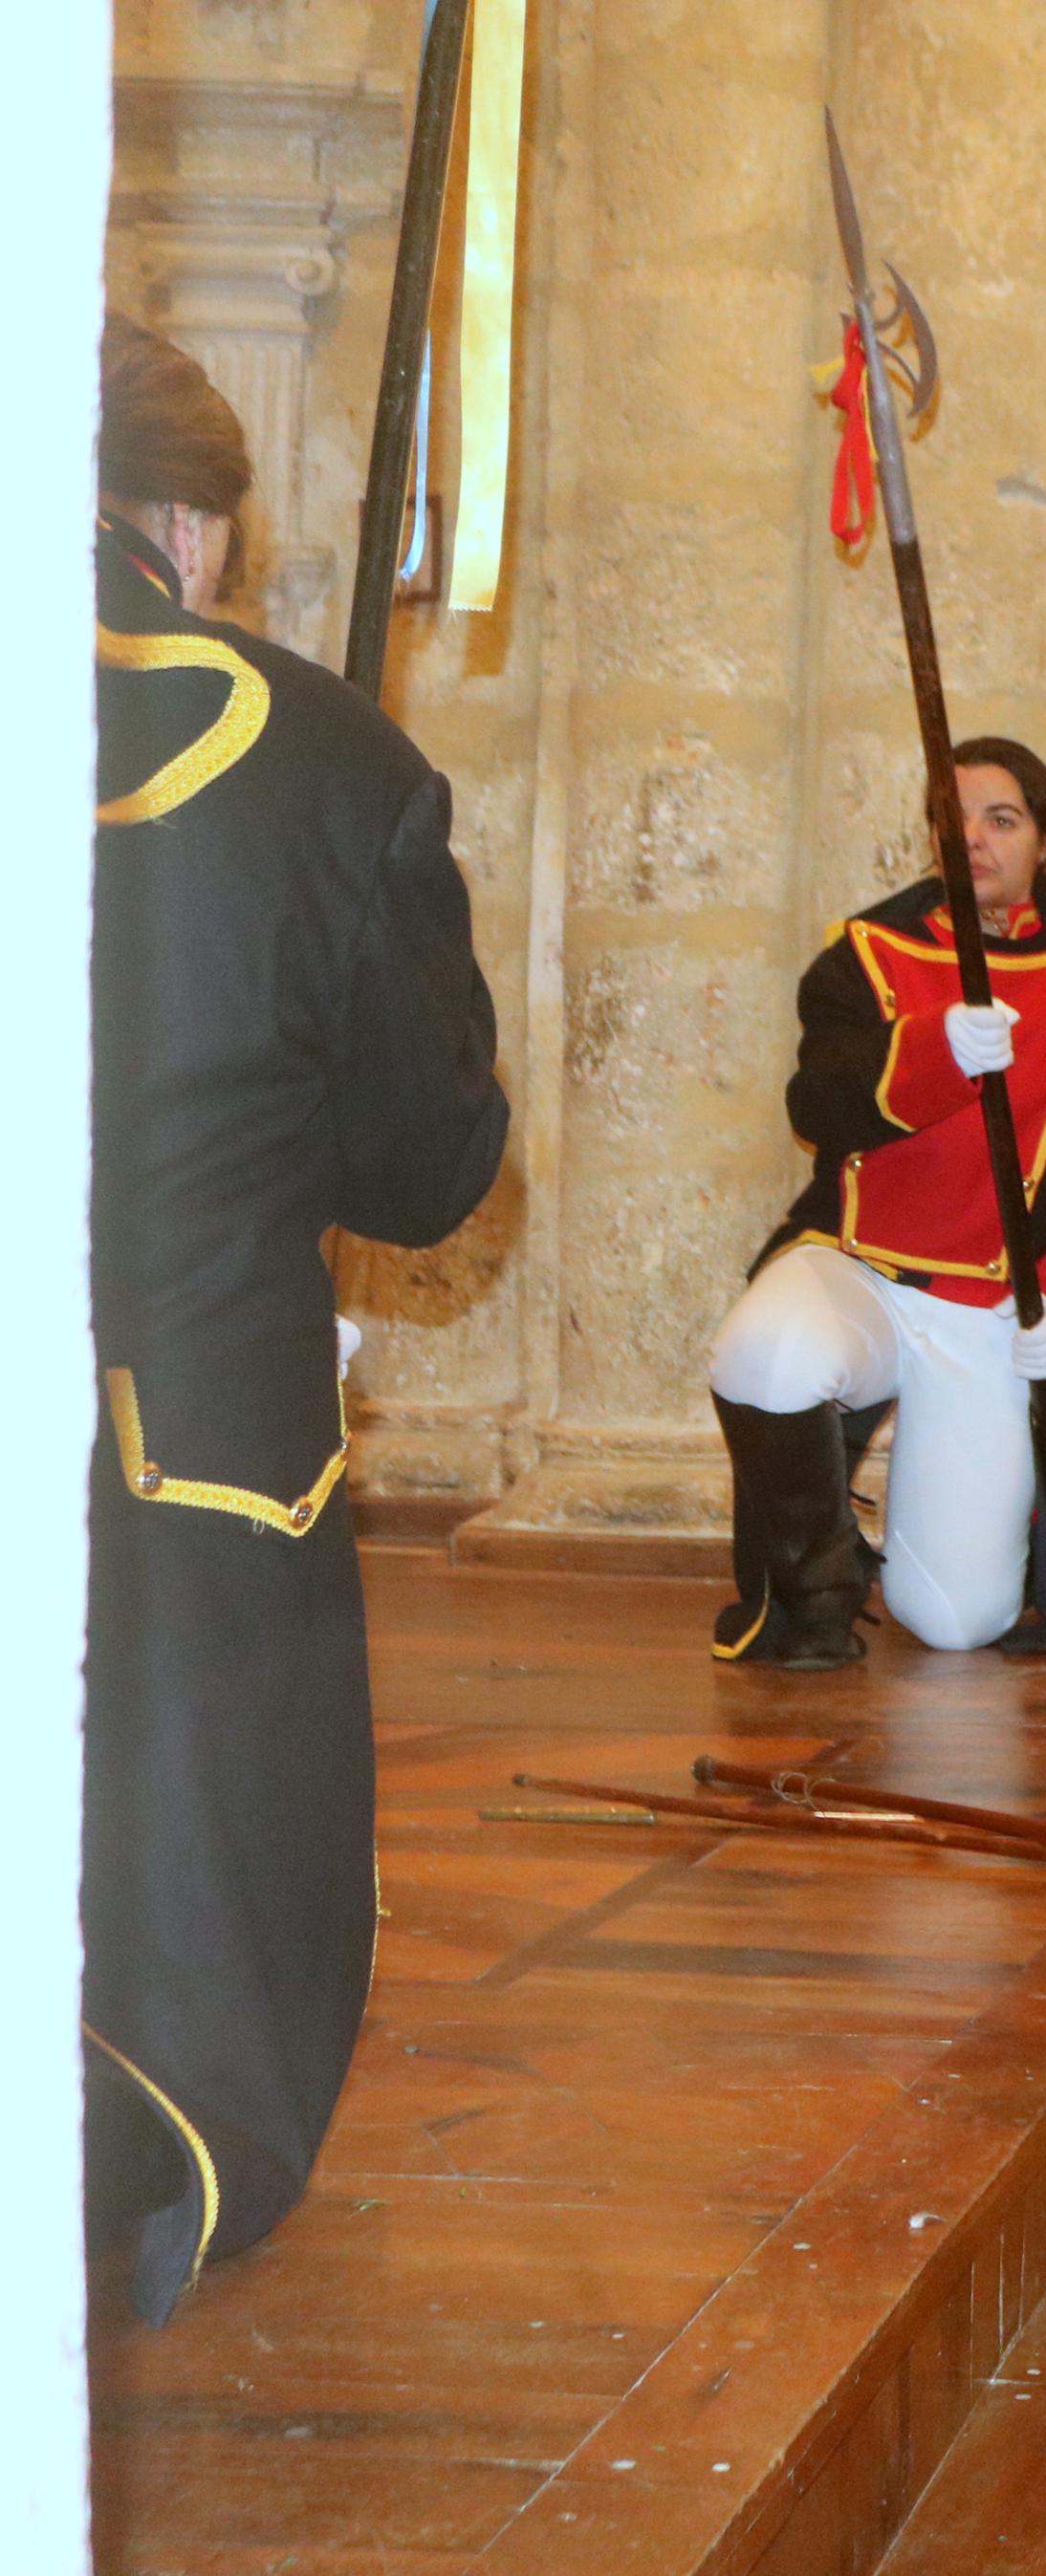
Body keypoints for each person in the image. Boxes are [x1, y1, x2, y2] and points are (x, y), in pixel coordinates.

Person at [85, 317, 511, 2324]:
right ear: (190, 524)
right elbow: (425, 1174)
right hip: (186, 1434)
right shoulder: (325, 753)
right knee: (174, 1964)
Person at [705, 738, 1046, 1663]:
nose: (971, 837)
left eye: (1000, 818)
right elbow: (816, 1104)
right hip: (857, 1269)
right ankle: (816, 1590)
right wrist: (929, 1054)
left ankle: (923, 1538)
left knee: (958, 1621)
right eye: (952, 818)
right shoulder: (858, 963)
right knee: (763, 1351)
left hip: (991, 1312)